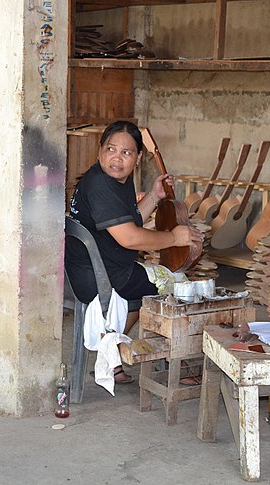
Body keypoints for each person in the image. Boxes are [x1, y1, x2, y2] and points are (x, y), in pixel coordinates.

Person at [65, 121, 203, 383]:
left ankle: (112, 352)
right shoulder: (101, 186)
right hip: (101, 276)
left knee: (147, 289)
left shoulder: (114, 180)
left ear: (138, 158)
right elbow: (129, 238)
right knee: (178, 286)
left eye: (126, 153)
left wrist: (153, 196)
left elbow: (129, 221)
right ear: (100, 151)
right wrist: (174, 237)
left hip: (97, 268)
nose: (117, 158)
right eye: (111, 150)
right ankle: (178, 363)